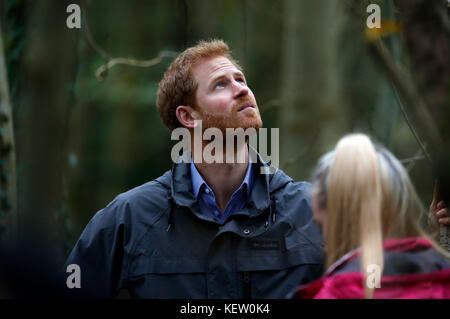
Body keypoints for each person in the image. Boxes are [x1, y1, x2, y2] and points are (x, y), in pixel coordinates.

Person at [64, 39, 324, 298]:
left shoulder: (312, 212)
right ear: (188, 116)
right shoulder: (131, 218)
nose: (241, 90)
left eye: (241, 80)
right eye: (221, 84)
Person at [291, 134, 450, 299]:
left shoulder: (335, 293)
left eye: (321, 226)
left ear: (343, 218)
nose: (324, 244)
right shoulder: (442, 280)